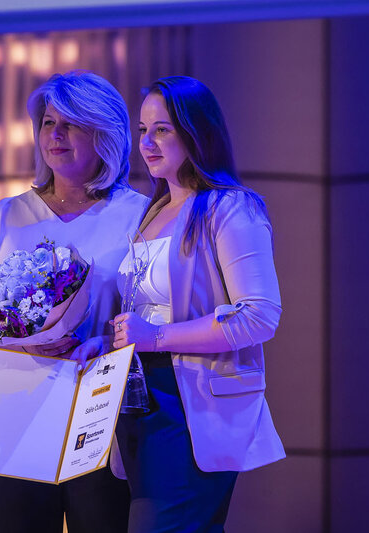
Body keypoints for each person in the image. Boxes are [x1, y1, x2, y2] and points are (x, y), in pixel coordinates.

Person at [0, 71, 149, 532]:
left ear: (104, 134)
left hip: (100, 414)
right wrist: (26, 343)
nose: (55, 135)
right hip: (16, 411)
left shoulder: (140, 215)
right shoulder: (7, 216)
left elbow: (155, 315)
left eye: (71, 124)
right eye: (48, 123)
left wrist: (107, 341)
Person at [109, 76, 285, 531]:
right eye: (143, 130)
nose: (147, 143)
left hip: (192, 407)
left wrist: (156, 337)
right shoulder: (152, 211)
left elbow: (259, 315)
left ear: (196, 132)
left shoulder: (230, 208)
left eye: (162, 129)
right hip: (141, 402)